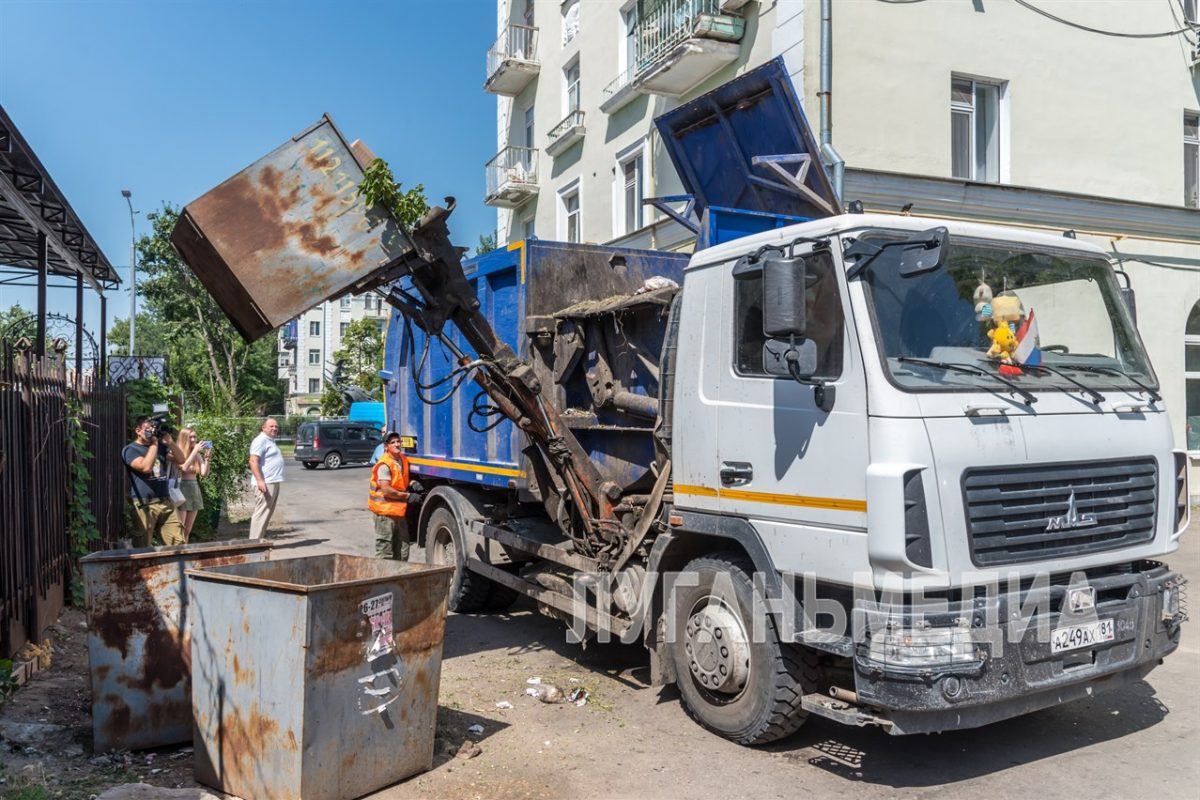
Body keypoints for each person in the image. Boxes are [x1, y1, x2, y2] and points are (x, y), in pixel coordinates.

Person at [122, 416, 186, 547]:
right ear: (138, 431)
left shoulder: (160, 447)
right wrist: (154, 444)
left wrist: (170, 443)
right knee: (143, 546)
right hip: (144, 504)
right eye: (147, 429)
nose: (151, 431)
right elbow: (145, 467)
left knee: (178, 544)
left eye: (153, 428)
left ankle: (177, 567)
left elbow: (181, 460)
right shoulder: (130, 450)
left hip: (166, 501)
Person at [368, 432, 416, 560]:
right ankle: (383, 579)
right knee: (385, 552)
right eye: (392, 442)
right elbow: (387, 490)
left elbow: (400, 481)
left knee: (402, 550)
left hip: (399, 513)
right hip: (385, 514)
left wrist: (413, 483)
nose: (396, 444)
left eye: (398, 441)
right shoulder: (384, 464)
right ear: (386, 446)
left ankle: (398, 577)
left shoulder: (402, 460)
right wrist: (407, 496)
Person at [248, 417, 284, 540]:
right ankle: (253, 542)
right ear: (263, 428)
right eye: (271, 426)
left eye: (276, 426)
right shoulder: (260, 440)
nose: (274, 428)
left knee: (267, 513)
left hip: (272, 481)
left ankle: (259, 540)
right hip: (265, 483)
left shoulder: (270, 440)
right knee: (261, 513)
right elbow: (253, 461)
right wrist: (260, 480)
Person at [176, 427, 212, 542]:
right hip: (182, 489)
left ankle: (185, 554)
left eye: (194, 437)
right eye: (190, 437)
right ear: (184, 438)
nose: (193, 439)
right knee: (180, 530)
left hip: (194, 489)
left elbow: (203, 473)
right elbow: (184, 467)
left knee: (187, 530)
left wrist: (207, 458)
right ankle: (178, 555)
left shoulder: (196, 454)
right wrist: (195, 451)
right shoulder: (179, 452)